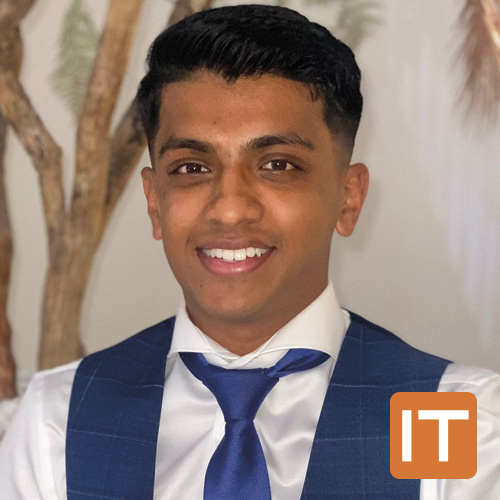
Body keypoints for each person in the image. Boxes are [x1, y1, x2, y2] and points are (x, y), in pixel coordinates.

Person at [0, 4, 499, 500]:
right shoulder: (59, 422)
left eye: (277, 165)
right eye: (192, 168)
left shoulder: (444, 415)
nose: (230, 209)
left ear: (348, 198)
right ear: (155, 202)